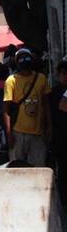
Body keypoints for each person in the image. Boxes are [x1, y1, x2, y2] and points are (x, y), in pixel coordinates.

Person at [3, 49, 51, 166]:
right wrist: (9, 134)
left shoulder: (41, 79)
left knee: (38, 169)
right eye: (21, 58)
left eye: (26, 57)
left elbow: (46, 105)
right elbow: (6, 110)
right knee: (17, 170)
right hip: (18, 134)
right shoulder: (11, 81)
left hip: (38, 134)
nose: (24, 60)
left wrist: (49, 126)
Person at [50, 61, 67, 210]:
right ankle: (63, 201)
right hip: (60, 139)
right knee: (62, 171)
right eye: (64, 74)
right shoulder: (54, 93)